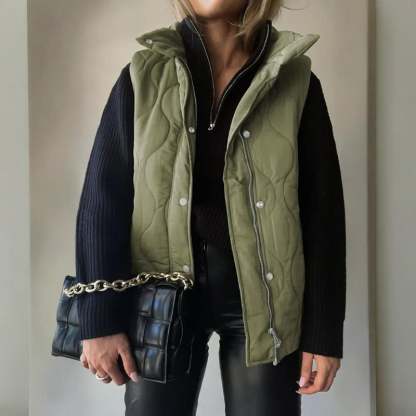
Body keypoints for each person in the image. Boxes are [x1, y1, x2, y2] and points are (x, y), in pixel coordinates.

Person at [76, 1, 346, 415]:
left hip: (267, 300)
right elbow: (102, 200)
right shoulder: (143, 75)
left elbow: (322, 215)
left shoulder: (296, 82)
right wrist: (99, 319)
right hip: (160, 294)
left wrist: (323, 334)